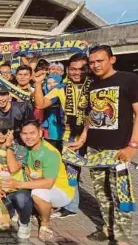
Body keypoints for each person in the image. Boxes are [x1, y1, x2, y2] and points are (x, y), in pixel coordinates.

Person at [75, 45, 138, 244]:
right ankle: (107, 229)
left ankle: (122, 239)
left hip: (119, 151)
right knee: (101, 193)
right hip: (95, 150)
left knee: (121, 196)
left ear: (112, 59)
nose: (96, 65)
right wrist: (83, 138)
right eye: (92, 62)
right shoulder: (92, 85)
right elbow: (91, 116)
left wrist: (133, 145)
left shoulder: (130, 80)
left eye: (100, 61)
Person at [33, 53, 91, 218]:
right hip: (71, 137)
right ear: (67, 70)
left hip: (95, 136)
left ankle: (112, 216)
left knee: (101, 174)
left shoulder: (94, 85)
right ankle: (71, 206)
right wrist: (38, 83)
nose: (77, 72)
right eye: (73, 69)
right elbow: (41, 104)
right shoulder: (61, 88)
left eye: (81, 69)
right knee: (71, 172)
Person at [2, 120, 74, 242]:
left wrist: (18, 184)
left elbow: (48, 183)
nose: (28, 137)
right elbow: (13, 168)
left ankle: (45, 224)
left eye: (32, 133)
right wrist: (8, 146)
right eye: (25, 133)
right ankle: (35, 209)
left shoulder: (50, 152)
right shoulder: (26, 148)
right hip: (37, 185)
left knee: (38, 193)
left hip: (60, 191)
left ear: (40, 133)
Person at [0, 118, 32, 240]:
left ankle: (25, 222)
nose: (0, 134)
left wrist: (8, 147)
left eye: (4, 131)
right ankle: (12, 209)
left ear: (10, 132)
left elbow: (14, 169)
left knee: (21, 199)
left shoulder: (20, 148)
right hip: (2, 190)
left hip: (18, 189)